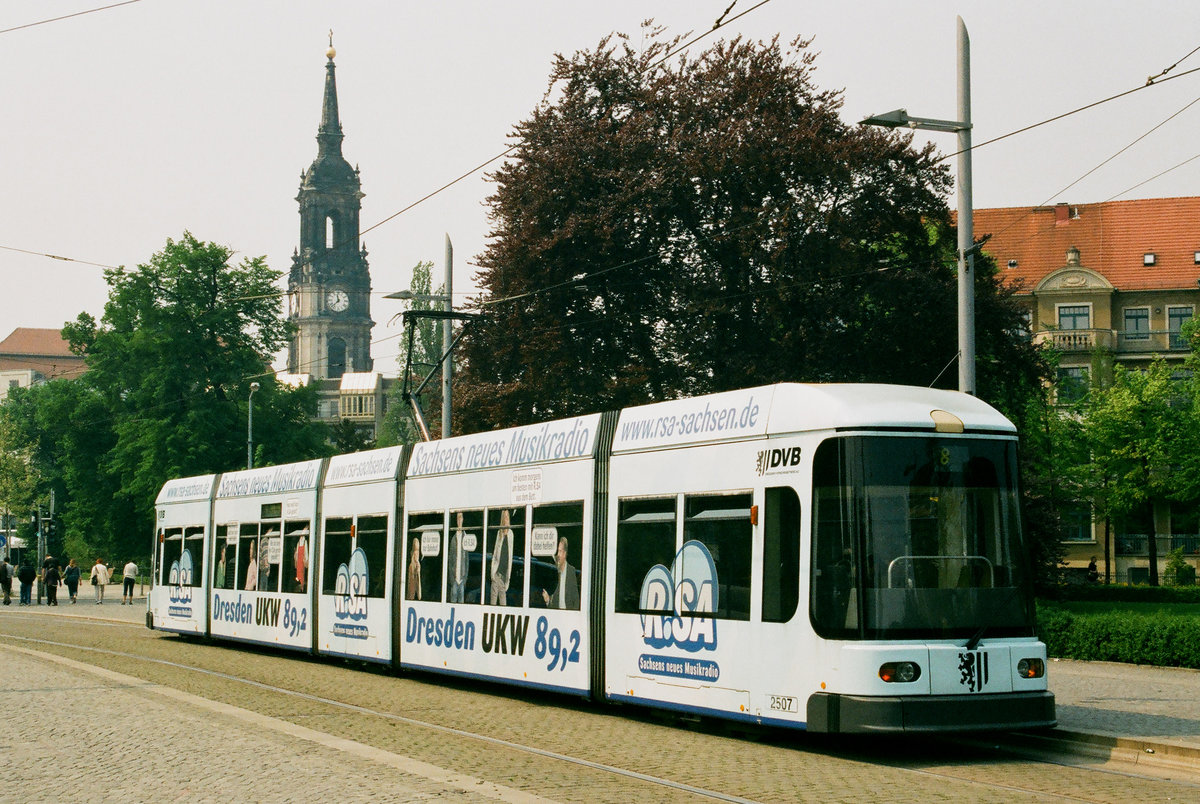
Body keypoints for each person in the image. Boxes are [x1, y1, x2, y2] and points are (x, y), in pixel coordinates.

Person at [541, 536, 580, 610]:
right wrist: (548, 600)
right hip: (558, 616)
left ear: (564, 554)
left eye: (560, 551)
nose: (558, 555)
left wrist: (574, 616)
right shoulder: (555, 573)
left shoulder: (571, 571)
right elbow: (553, 606)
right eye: (557, 551)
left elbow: (576, 599)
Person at [489, 509, 513, 606]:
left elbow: (510, 557)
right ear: (502, 519)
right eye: (504, 517)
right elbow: (495, 554)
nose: (506, 519)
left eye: (507, 516)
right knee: (493, 603)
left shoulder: (511, 534)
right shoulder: (499, 533)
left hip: (504, 576)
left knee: (503, 604)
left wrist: (508, 577)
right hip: (497, 573)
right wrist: (492, 573)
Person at [448, 512, 469, 603]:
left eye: (461, 517)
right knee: (452, 604)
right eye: (458, 518)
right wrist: (452, 580)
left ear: (463, 519)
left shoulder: (466, 538)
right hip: (454, 580)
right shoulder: (453, 539)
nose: (459, 519)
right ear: (456, 520)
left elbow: (467, 561)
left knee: (461, 605)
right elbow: (450, 560)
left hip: (462, 580)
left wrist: (465, 579)